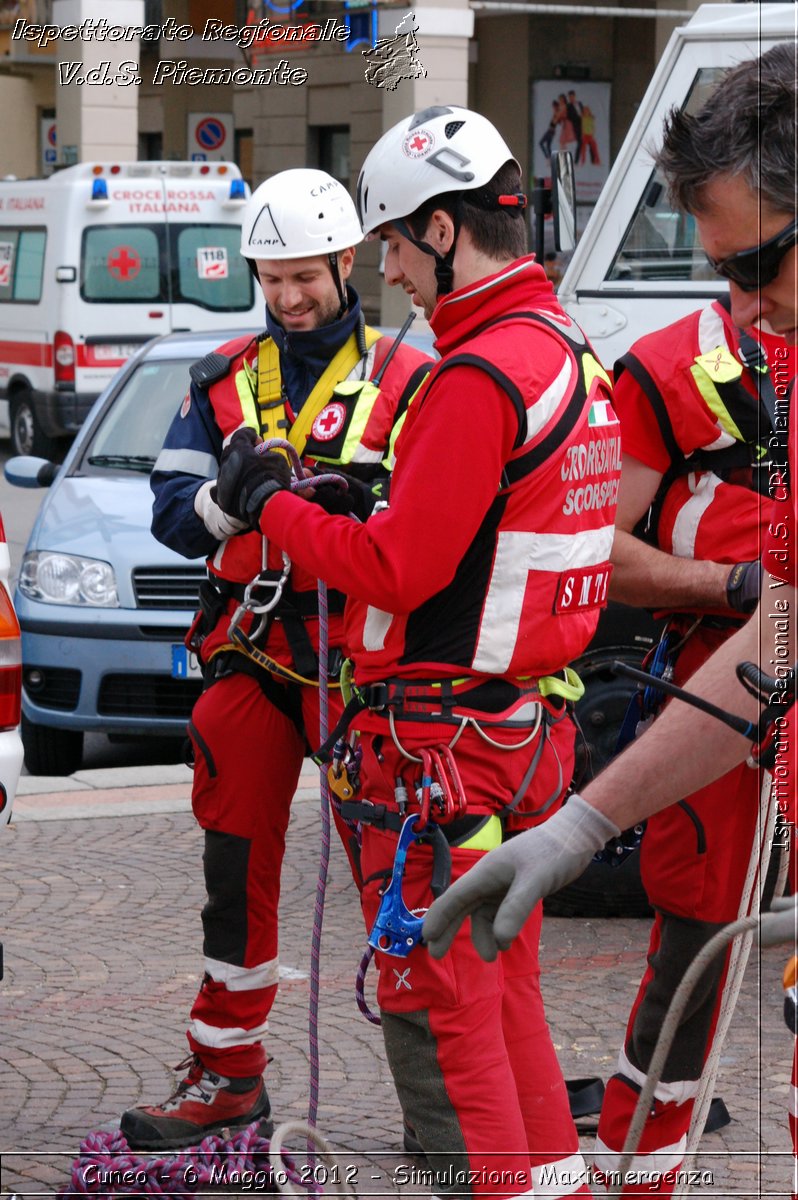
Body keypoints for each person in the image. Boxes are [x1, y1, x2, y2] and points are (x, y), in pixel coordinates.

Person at [211, 105, 620, 1198]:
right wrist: (367, 499)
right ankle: (555, 1184)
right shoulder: (569, 353)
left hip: (447, 747)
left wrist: (276, 505)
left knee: (457, 1004)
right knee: (510, 988)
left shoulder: (476, 374)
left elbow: (397, 573)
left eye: (391, 242)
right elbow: (488, 530)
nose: (387, 271)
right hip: (528, 726)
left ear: (443, 232)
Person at [423, 42, 798, 1193]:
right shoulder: (685, 365)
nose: (742, 307)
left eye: (762, 263)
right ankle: (643, 1172)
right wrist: (583, 826)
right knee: (693, 955)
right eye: (725, 272)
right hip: (725, 726)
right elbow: (777, 645)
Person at [119, 167, 431, 1151]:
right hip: (253, 654)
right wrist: (232, 500)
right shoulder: (216, 383)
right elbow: (173, 518)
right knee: (234, 874)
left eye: (305, 277)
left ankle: (445, 1104)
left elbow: (446, 524)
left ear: (347, 263)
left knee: (400, 883)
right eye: (271, 280)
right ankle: (225, 1075)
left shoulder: (414, 381)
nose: (289, 299)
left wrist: (363, 510)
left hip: (364, 665)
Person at [590, 288, 795, 1187]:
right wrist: (732, 584)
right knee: (695, 943)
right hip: (721, 679)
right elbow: (594, 546)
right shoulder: (666, 370)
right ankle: (642, 1171)